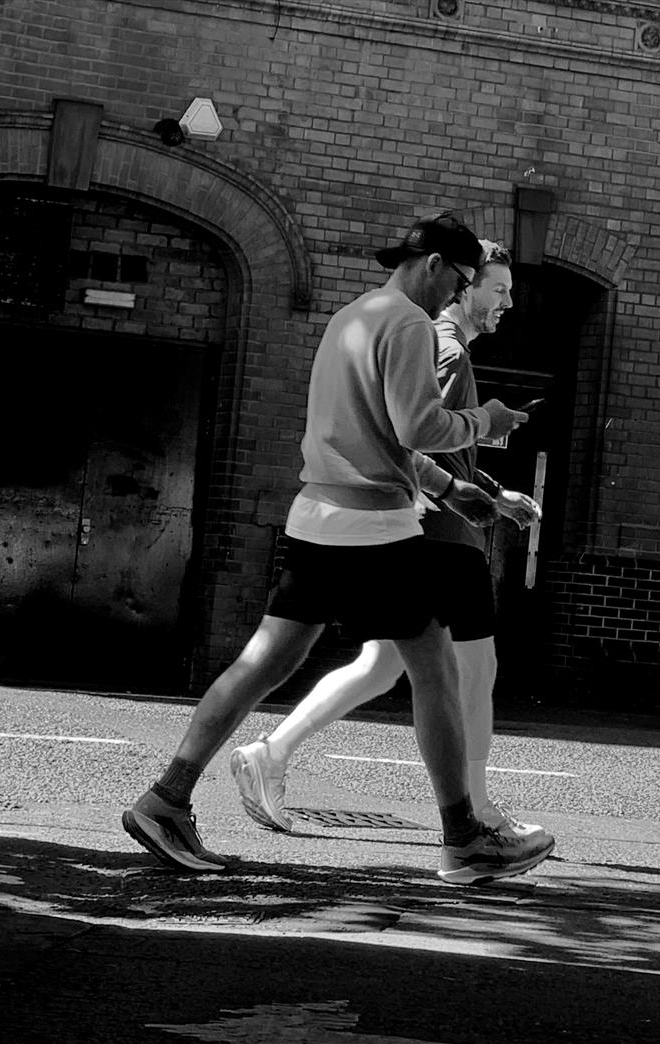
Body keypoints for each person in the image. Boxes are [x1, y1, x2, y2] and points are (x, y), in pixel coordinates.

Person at [122, 214, 555, 886]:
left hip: (317, 511)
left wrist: (452, 489)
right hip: (375, 526)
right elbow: (418, 426)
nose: (457, 296)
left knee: (266, 659)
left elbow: (374, 433)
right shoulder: (411, 322)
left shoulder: (350, 317)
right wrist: (488, 421)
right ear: (436, 264)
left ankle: (166, 800)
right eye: (462, 281)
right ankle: (464, 837)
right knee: (436, 672)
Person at [225, 242, 548, 857]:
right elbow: (412, 436)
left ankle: (271, 752)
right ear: (463, 284)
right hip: (437, 537)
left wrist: (489, 489)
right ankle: (475, 818)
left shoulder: (427, 338)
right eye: (496, 288)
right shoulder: (444, 348)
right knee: (472, 673)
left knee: (382, 663)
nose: (506, 302)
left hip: (413, 523)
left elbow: (418, 444)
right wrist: (478, 466)